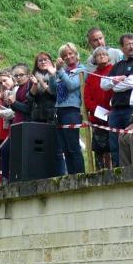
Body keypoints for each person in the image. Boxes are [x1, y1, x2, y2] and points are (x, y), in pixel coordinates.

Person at [102, 34, 133, 166]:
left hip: (131, 109)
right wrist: (117, 80)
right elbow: (103, 84)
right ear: (122, 47)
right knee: (114, 144)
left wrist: (115, 85)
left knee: (130, 142)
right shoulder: (117, 65)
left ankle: (132, 170)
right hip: (115, 110)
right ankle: (117, 170)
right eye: (128, 44)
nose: (132, 47)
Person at [51, 43, 86, 175]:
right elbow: (53, 90)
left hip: (72, 110)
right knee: (65, 148)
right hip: (59, 110)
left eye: (70, 53)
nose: (68, 56)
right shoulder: (62, 71)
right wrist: (53, 74)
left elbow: (72, 85)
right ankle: (71, 176)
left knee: (73, 147)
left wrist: (60, 72)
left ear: (76, 54)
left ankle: (80, 175)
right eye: (64, 55)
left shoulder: (82, 70)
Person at [84, 47, 114, 170]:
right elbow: (87, 98)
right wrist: (97, 111)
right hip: (98, 118)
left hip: (113, 116)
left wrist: (112, 111)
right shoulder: (92, 77)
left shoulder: (114, 71)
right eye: (98, 55)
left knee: (113, 149)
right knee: (99, 150)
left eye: (104, 54)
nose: (101, 56)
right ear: (94, 59)